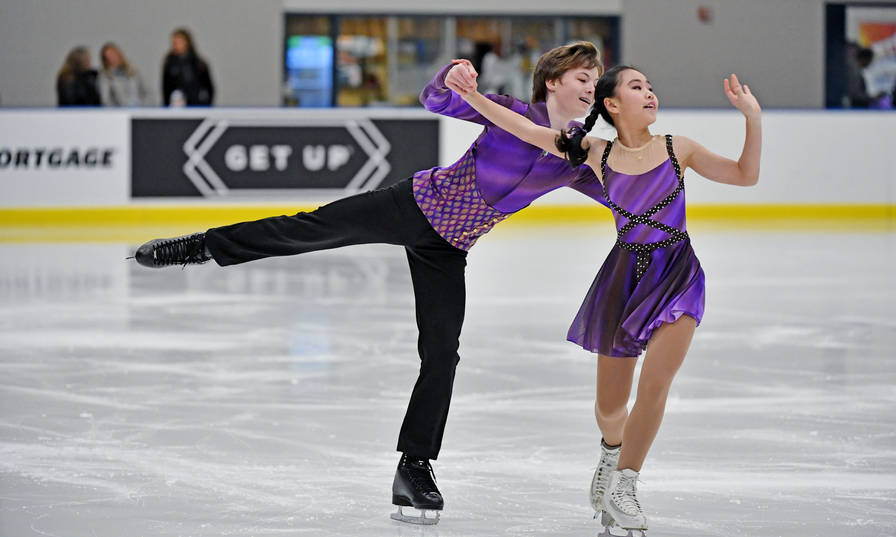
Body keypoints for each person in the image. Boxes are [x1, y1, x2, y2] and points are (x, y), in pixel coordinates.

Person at [132, 41, 609, 525]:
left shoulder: (573, 156)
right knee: (309, 228)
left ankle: (414, 468)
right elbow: (436, 100)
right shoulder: (507, 110)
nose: (591, 88)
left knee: (442, 353)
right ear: (553, 81)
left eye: (595, 81)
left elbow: (622, 191)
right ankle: (201, 247)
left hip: (449, 249)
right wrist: (451, 75)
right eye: (581, 79)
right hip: (412, 206)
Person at [451, 64, 761, 535]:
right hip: (623, 278)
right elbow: (525, 128)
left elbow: (745, 176)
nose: (650, 93)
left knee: (655, 385)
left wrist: (752, 118)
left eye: (652, 87)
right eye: (638, 87)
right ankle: (611, 451)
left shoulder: (679, 148)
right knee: (611, 407)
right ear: (612, 104)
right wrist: (472, 97)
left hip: (677, 273)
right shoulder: (594, 153)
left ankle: (626, 485)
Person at [162, 27, 214, 106]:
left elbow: (209, 88)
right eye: (174, 43)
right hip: (175, 107)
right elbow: (165, 89)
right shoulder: (169, 64)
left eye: (179, 42)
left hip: (197, 105)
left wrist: (206, 104)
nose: (176, 46)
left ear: (187, 43)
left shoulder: (199, 64)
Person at [98, 42, 148, 107]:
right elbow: (106, 100)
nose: (113, 59)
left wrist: (144, 106)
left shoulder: (133, 71)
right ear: (105, 60)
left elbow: (146, 91)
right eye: (109, 57)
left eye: (114, 55)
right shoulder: (105, 76)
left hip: (139, 109)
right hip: (120, 112)